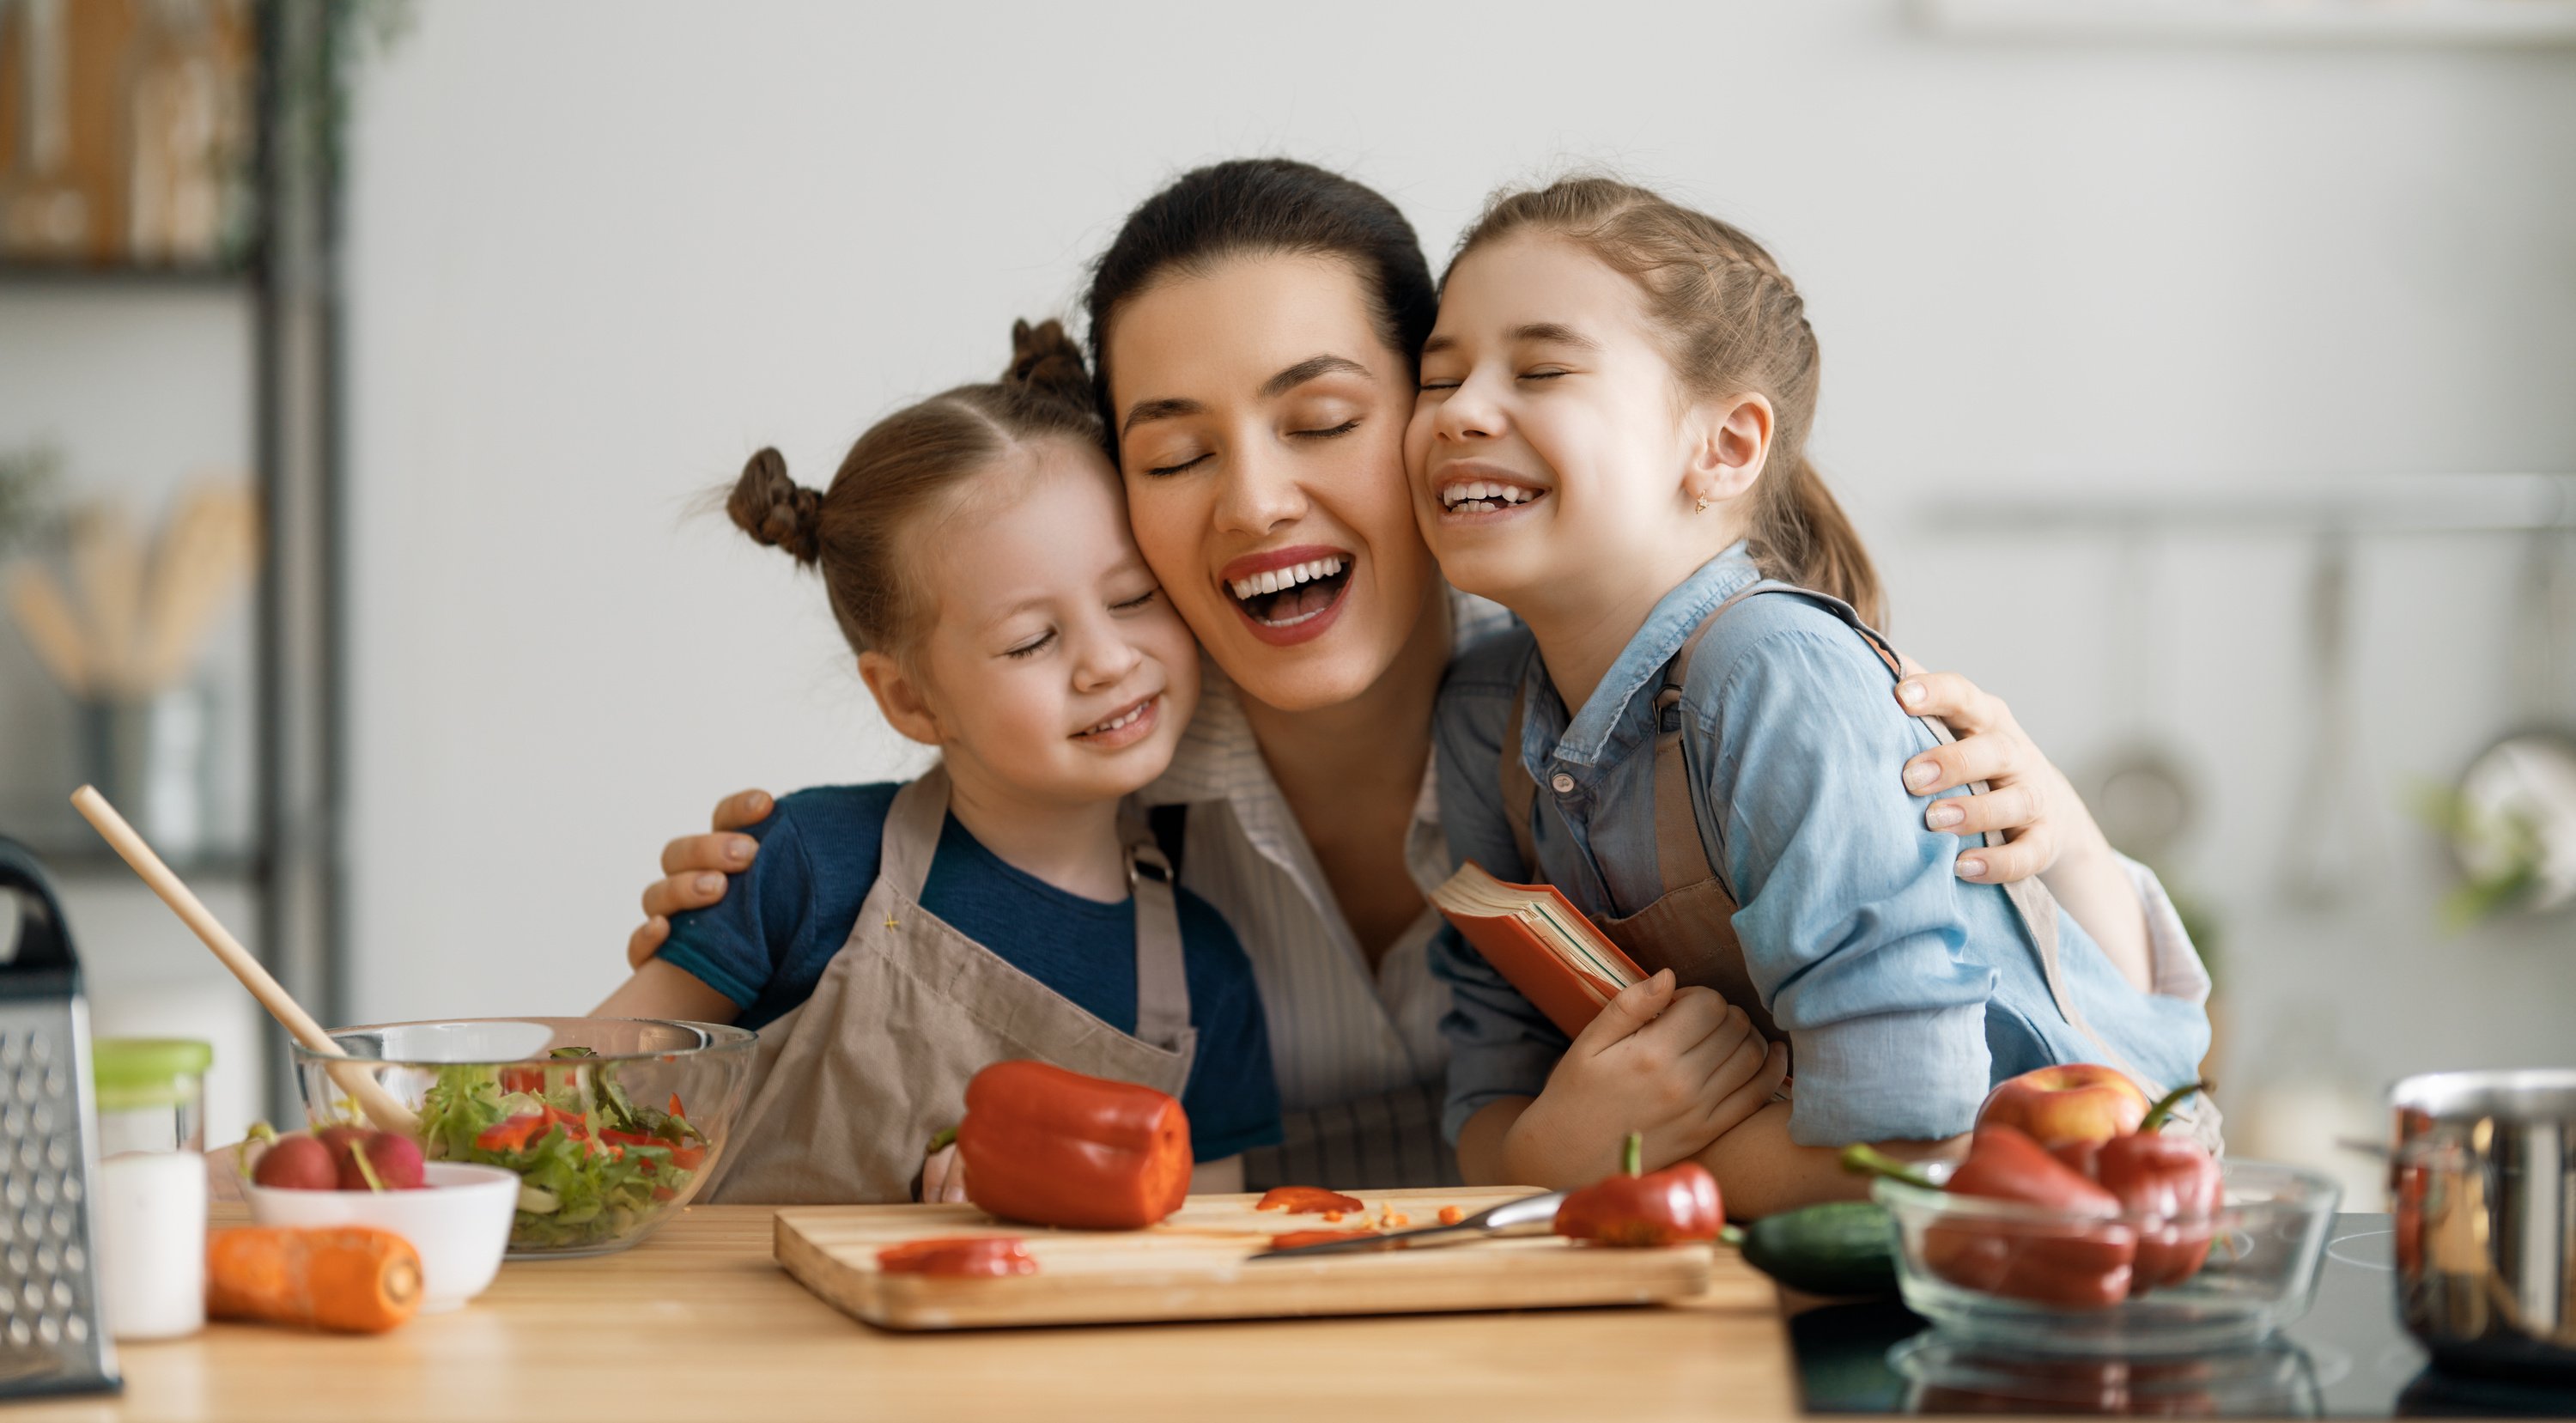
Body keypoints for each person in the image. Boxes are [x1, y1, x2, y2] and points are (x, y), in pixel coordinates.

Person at [623, 160, 2201, 1190]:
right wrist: (757, 920)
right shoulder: (1091, 768)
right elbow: (871, 917)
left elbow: (2032, 1065)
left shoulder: (1669, 723)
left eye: (1323, 421)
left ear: (1431, 426)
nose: (1254, 501)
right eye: (1176, 452)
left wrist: (2062, 846)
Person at [1415, 177, 2212, 1217]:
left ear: (1726, 448)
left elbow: (1908, 1135)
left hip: (2074, 1208)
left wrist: (1610, 1164)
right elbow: (1490, 1090)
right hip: (1778, 1229)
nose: (1463, 411)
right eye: (1438, 379)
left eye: (1542, 368)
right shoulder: (1483, 707)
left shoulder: (1771, 672)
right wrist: (1552, 1151)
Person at [592, 320, 1280, 1204]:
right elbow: (575, 1097)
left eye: (1135, 597)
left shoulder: (1204, 973)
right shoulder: (808, 862)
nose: (1109, 659)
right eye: (1033, 639)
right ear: (911, 700)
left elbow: (1206, 1254)